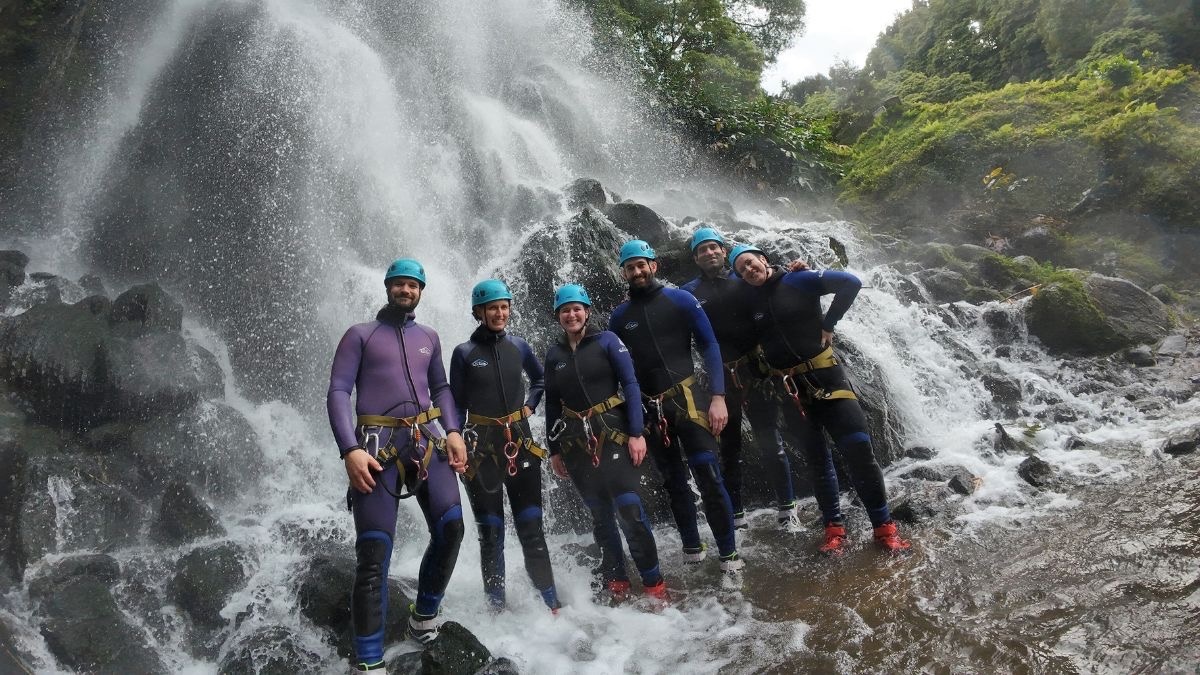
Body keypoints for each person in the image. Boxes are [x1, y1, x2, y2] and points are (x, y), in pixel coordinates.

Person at [326, 258, 468, 669]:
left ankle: (424, 617)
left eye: (413, 285)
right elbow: (338, 391)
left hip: (428, 441)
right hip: (376, 447)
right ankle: (368, 662)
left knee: (452, 527)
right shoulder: (360, 335)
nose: (406, 291)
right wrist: (349, 449)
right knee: (374, 552)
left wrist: (454, 431)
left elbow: (440, 387)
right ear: (388, 287)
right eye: (399, 285)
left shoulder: (429, 336)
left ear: (421, 291)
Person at [728, 244, 911, 554]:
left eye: (750, 262)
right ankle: (834, 530)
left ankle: (884, 528)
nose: (748, 270)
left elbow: (850, 283)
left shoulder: (797, 280)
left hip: (827, 380)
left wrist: (829, 324)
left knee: (859, 452)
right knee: (817, 462)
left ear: (763, 259)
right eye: (741, 269)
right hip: (792, 392)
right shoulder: (750, 300)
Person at [609, 240, 742, 573]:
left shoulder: (680, 299)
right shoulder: (620, 317)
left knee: (709, 475)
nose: (637, 272)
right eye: (630, 267)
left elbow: (709, 346)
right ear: (623, 273)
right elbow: (620, 371)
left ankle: (728, 555)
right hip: (651, 410)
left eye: (642, 265)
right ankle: (692, 548)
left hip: (689, 401)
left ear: (654, 265)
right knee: (673, 482)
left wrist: (718, 397)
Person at [543, 284, 667, 601]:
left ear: (586, 311)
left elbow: (630, 383)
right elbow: (553, 404)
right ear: (558, 316)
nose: (571, 315)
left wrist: (637, 433)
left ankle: (654, 584)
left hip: (613, 435)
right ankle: (617, 580)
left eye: (576, 309)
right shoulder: (554, 354)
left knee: (630, 510)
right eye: (565, 310)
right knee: (600, 517)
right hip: (575, 443)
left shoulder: (608, 341)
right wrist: (554, 450)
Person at [449, 279, 560, 613]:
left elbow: (541, 380)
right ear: (478, 312)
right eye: (492, 308)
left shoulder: (520, 347)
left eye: (504, 307)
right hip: (480, 450)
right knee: (491, 534)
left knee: (532, 529)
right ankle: (497, 609)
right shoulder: (464, 354)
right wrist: (455, 435)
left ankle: (551, 602)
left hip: (520, 444)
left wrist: (530, 406)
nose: (500, 313)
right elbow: (454, 403)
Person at [681, 227, 799, 528]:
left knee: (769, 438)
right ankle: (736, 516)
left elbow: (776, 284)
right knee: (729, 447)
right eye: (702, 250)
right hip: (719, 376)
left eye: (713, 247)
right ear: (696, 258)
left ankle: (787, 508)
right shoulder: (689, 292)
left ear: (723, 251)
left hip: (756, 370)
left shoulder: (744, 278)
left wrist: (797, 271)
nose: (709, 253)